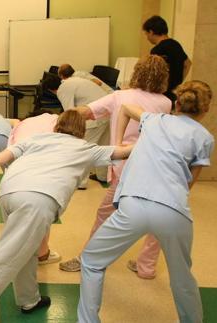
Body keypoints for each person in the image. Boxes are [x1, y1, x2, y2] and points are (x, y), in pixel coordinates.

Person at [0, 110, 132, 323]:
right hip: (37, 199)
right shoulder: (86, 148)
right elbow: (123, 152)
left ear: (57, 127)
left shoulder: (39, 138)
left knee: (26, 250)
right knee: (6, 257)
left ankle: (29, 299)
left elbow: (11, 152)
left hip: (9, 193)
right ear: (81, 131)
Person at [78, 80, 214, 323]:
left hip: (134, 205)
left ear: (177, 103)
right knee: (182, 277)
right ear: (206, 109)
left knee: (91, 260)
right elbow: (189, 182)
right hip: (174, 210)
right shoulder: (204, 137)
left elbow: (128, 108)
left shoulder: (153, 120)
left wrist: (117, 143)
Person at [59, 55, 172, 273]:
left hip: (126, 165)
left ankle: (87, 259)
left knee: (105, 213)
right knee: (158, 215)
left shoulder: (121, 96)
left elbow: (87, 112)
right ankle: (146, 266)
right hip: (157, 166)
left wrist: (62, 118)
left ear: (137, 72)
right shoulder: (166, 102)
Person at [7, 111, 61, 265]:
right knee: (44, 212)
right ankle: (42, 254)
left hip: (15, 175)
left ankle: (14, 252)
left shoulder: (22, 124)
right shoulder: (56, 121)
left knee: (18, 215)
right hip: (42, 175)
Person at [53, 63, 110, 188]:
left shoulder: (64, 87)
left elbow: (70, 112)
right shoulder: (79, 79)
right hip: (108, 112)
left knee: (83, 149)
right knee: (102, 146)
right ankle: (103, 176)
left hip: (94, 116)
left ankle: (81, 182)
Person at [143, 15, 192, 105]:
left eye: (146, 34)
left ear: (151, 32)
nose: (147, 38)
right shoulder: (176, 44)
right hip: (174, 94)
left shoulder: (157, 50)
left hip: (160, 94)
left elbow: (153, 74)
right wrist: (179, 82)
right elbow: (188, 63)